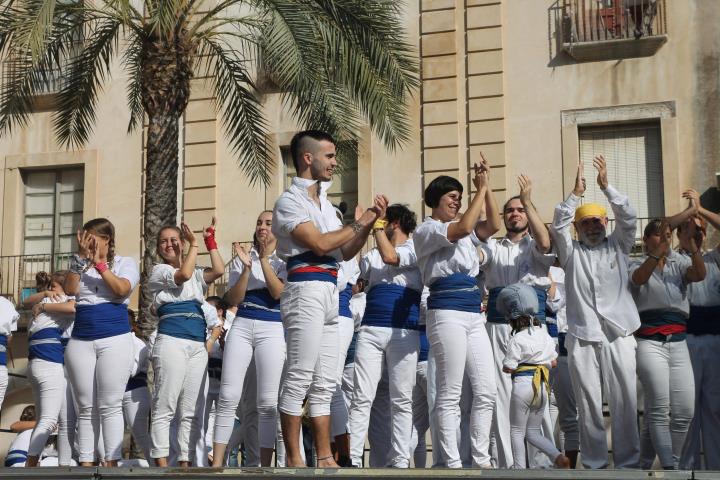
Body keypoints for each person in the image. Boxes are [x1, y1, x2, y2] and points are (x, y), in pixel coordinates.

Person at [272, 130, 386, 467]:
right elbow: (319, 245)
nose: (335, 163)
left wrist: (367, 226)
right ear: (309, 158)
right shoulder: (289, 201)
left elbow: (344, 252)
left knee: (325, 380)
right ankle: (294, 457)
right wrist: (361, 220)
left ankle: (323, 456)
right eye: (331, 156)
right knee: (299, 375)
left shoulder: (328, 207)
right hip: (304, 286)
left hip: (330, 290)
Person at [549, 156, 640, 469]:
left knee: (625, 401)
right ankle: (595, 464)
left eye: (598, 221)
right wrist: (576, 194)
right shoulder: (570, 252)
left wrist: (606, 187)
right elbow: (558, 223)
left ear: (605, 223)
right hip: (583, 334)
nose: (593, 226)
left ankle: (628, 463)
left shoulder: (619, 245)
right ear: (577, 228)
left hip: (620, 333)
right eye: (585, 222)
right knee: (588, 402)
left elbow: (628, 217)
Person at [412, 155, 499, 468]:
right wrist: (480, 190)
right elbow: (463, 227)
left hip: (473, 312)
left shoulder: (463, 231)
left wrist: (486, 188)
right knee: (449, 391)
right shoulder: (427, 229)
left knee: (487, 389)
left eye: (460, 198)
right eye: (452, 197)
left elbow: (493, 224)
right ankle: (450, 462)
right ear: (436, 200)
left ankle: (481, 458)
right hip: (445, 310)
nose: (457, 201)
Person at [479, 174, 554, 468]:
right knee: (501, 393)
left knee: (537, 392)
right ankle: (509, 462)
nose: (515, 214)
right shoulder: (494, 248)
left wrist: (527, 200)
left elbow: (547, 241)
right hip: (498, 326)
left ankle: (543, 461)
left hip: (534, 330)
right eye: (510, 210)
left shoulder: (535, 247)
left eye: (520, 210)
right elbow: (478, 253)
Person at [347, 204, 422, 468]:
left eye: (384, 220)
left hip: (404, 330)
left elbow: (391, 257)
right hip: (371, 329)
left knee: (401, 398)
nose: (380, 224)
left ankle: (400, 460)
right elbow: (358, 278)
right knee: (361, 396)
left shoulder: (415, 248)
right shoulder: (371, 255)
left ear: (395, 223)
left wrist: (375, 224)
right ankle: (353, 458)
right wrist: (362, 227)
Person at [213, 211, 287, 467]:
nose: (262, 227)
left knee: (267, 401)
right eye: (259, 223)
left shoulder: (286, 258)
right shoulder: (245, 257)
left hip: (273, 326)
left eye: (268, 223)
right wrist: (246, 269)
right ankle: (217, 463)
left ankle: (265, 466)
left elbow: (278, 293)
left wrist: (264, 260)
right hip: (243, 323)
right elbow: (232, 299)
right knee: (228, 395)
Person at [629, 217, 704, 469]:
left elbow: (699, 274)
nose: (665, 240)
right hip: (650, 341)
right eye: (660, 235)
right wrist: (657, 254)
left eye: (668, 236)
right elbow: (638, 279)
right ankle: (671, 468)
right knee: (659, 409)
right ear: (648, 238)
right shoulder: (635, 261)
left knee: (684, 411)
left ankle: (645, 465)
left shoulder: (679, 262)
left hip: (679, 340)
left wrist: (691, 246)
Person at [64, 218, 140, 466]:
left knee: (109, 404)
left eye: (92, 238)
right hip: (81, 340)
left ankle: (112, 462)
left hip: (114, 338)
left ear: (107, 240)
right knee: (86, 407)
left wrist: (99, 264)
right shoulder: (79, 265)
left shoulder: (125, 263)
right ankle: (86, 462)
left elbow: (121, 289)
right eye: (84, 239)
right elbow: (70, 289)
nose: (87, 244)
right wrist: (81, 259)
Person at [148, 219, 224, 467]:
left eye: (173, 239)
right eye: (164, 241)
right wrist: (193, 244)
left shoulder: (197, 273)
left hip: (196, 345)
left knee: (191, 410)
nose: (169, 244)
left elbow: (220, 270)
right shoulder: (159, 271)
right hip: (171, 341)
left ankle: (184, 462)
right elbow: (184, 274)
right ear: (159, 248)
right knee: (165, 404)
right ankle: (161, 464)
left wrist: (209, 240)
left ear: (179, 242)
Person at [497, 283, 569, 469]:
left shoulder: (517, 338)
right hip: (542, 387)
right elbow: (553, 362)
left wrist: (515, 366)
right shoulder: (544, 334)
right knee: (533, 432)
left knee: (516, 431)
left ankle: (519, 470)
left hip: (523, 385)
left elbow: (508, 367)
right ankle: (557, 456)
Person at [673, 189, 720, 470]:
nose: (696, 235)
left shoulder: (715, 259)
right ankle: (686, 470)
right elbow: (663, 227)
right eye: (689, 230)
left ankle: (715, 470)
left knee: (714, 409)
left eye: (700, 231)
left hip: (714, 340)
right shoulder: (671, 259)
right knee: (687, 410)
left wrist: (700, 211)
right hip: (684, 340)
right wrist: (686, 216)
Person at [24, 271, 75, 467]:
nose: (50, 290)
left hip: (35, 364)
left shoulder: (45, 304)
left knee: (43, 419)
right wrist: (47, 297)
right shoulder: (60, 298)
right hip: (49, 362)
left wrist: (44, 300)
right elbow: (74, 308)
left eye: (52, 286)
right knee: (49, 419)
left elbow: (28, 300)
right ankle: (30, 465)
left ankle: (37, 463)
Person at [546, 265, 579, 468]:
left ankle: (570, 471)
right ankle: (549, 467)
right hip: (542, 342)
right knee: (544, 417)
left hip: (566, 343)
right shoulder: (536, 265)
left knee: (569, 416)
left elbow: (554, 301)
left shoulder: (573, 267)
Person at [123, 309, 152, 462]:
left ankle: (157, 467)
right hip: (115, 392)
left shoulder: (138, 343)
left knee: (140, 435)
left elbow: (132, 371)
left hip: (134, 391)